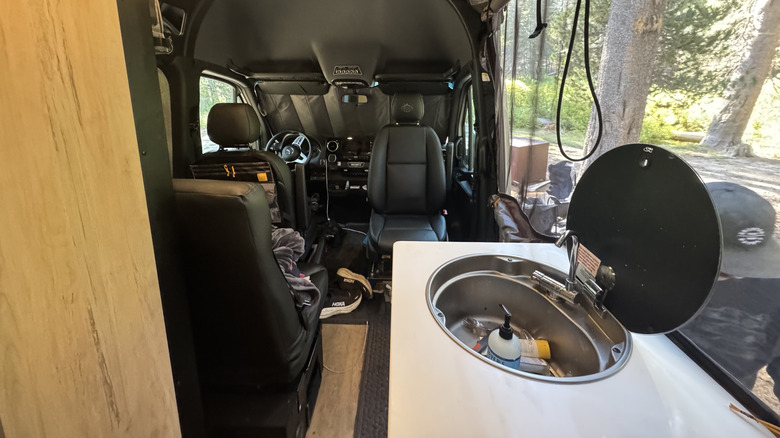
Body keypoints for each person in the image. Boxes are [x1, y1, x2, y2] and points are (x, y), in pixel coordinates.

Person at [682, 182, 780, 401]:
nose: (740, 274)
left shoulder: (775, 289)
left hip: (723, 398)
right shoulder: (647, 265)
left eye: (748, 264)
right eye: (724, 266)